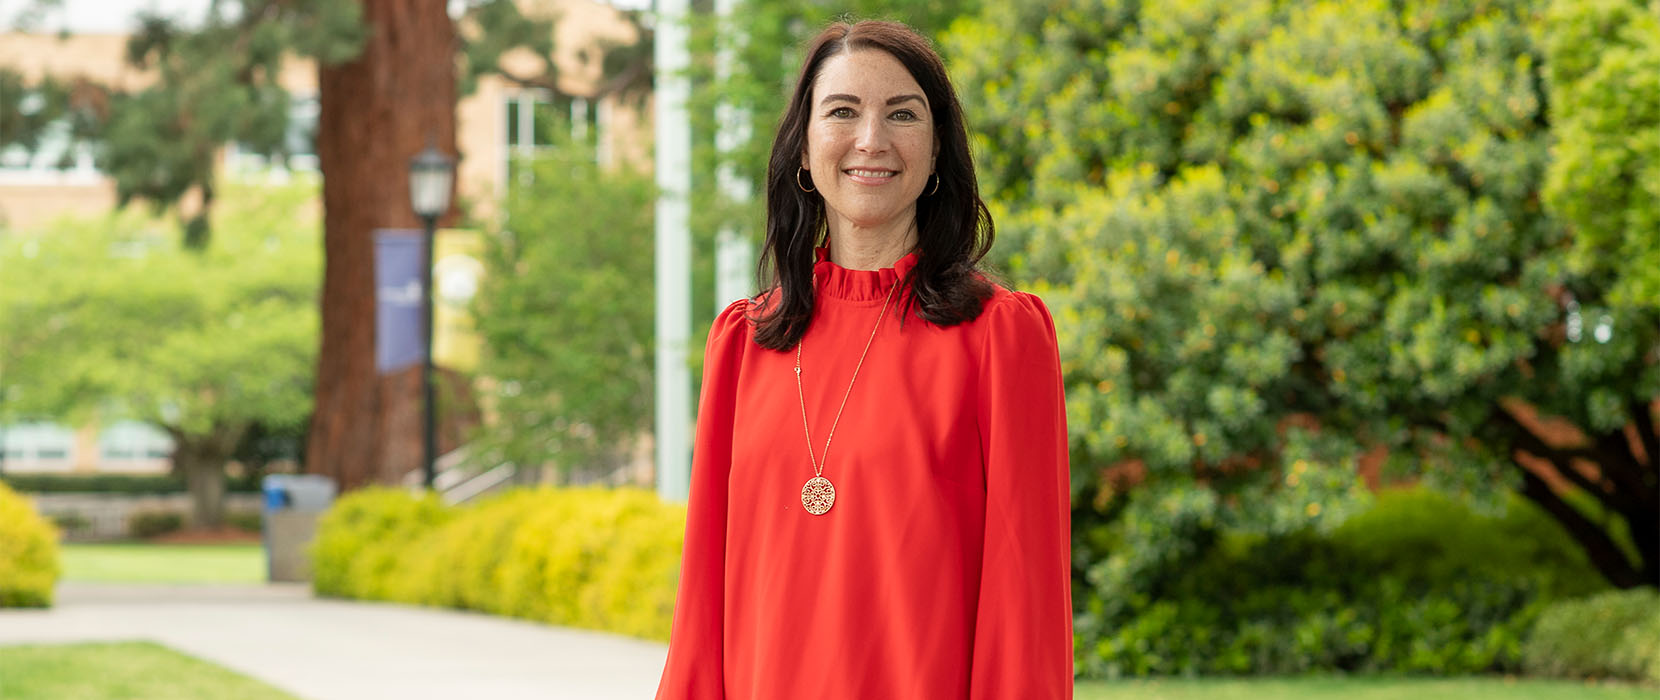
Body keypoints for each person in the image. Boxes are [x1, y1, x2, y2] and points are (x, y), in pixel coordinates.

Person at [654, 20, 1072, 700]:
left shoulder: (1001, 337)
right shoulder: (742, 342)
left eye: (902, 114)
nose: (871, 139)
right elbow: (700, 612)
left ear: (937, 155)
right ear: (805, 147)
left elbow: (1026, 608)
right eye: (842, 112)